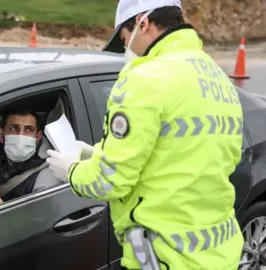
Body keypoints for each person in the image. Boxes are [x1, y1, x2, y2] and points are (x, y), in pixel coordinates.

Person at [46, 0, 244, 269]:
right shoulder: (214, 75)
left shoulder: (145, 79)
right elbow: (199, 155)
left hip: (165, 257)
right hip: (219, 252)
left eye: (126, 39)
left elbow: (110, 181)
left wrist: (72, 170)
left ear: (143, 23)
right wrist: (97, 154)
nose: (127, 49)